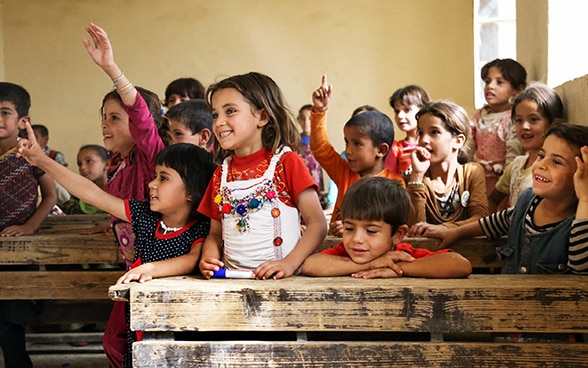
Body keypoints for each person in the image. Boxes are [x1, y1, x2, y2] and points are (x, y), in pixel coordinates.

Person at [16, 126, 217, 368]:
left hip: (181, 328)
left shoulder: (201, 228)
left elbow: (192, 259)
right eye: (155, 176)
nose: (152, 184)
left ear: (192, 192)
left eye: (163, 178)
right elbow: (91, 193)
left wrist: (149, 269)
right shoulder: (145, 216)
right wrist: (42, 160)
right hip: (140, 321)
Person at [83, 22, 166, 368]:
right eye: (104, 117)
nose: (105, 124)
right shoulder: (120, 164)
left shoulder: (153, 157)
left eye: (115, 117)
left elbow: (144, 119)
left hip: (160, 267)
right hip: (132, 269)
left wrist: (110, 68)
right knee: (118, 342)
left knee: (138, 343)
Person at [198, 72, 327, 280]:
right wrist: (209, 258)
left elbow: (317, 224)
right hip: (233, 286)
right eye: (215, 115)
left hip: (283, 286)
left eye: (230, 111)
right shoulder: (220, 174)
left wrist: (289, 264)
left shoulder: (287, 162)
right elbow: (214, 234)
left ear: (263, 117)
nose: (219, 122)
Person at [426, 123, 588, 275]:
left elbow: (580, 274)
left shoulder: (580, 224)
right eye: (541, 155)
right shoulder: (528, 201)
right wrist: (455, 232)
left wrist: (585, 199)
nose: (541, 165)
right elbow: (501, 221)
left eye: (556, 162)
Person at [301, 177, 472, 278]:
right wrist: (371, 265)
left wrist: (397, 269)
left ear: (397, 234)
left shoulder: (402, 256)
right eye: (349, 228)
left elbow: (460, 264)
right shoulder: (344, 253)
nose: (357, 239)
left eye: (371, 231)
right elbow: (310, 265)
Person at [0, 82, 57, 368]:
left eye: (5, 112)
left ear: (23, 121)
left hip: (20, 247)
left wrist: (31, 226)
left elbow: (50, 195)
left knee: (12, 312)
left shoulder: (30, 155)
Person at [310, 75, 404, 237]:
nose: (349, 150)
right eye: (347, 142)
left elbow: (391, 229)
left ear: (381, 150)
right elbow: (321, 148)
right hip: (339, 251)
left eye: (357, 144)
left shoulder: (395, 184)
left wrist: (351, 229)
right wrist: (319, 111)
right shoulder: (344, 172)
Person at [407, 100, 489, 237]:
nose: (424, 140)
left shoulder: (472, 172)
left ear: (458, 141)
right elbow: (415, 231)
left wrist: (445, 228)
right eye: (420, 133)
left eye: (434, 132)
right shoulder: (416, 180)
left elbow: (480, 219)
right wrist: (417, 176)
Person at [488, 83, 565, 213]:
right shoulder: (516, 166)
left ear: (553, 123)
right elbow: (493, 199)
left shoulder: (554, 170)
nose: (525, 126)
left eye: (533, 119)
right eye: (518, 120)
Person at [470, 58, 527, 195]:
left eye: (499, 82)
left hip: (500, 186)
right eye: (488, 81)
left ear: (517, 90)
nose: (490, 86)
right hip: (476, 182)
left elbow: (513, 157)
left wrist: (503, 189)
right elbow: (469, 146)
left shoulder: (513, 119)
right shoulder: (479, 115)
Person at [386, 85, 430, 176]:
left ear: (423, 111)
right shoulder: (395, 149)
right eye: (397, 111)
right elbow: (390, 180)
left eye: (407, 110)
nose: (400, 116)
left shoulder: (431, 145)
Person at [62, 144, 110, 215]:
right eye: (79, 164)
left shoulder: (120, 193)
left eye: (89, 161)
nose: (82, 167)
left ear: (107, 164)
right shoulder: (78, 197)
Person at [297, 104, 324, 197]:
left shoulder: (320, 141)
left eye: (310, 118)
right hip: (301, 183)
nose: (306, 122)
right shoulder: (294, 142)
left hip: (317, 183)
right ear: (299, 121)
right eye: (303, 119)